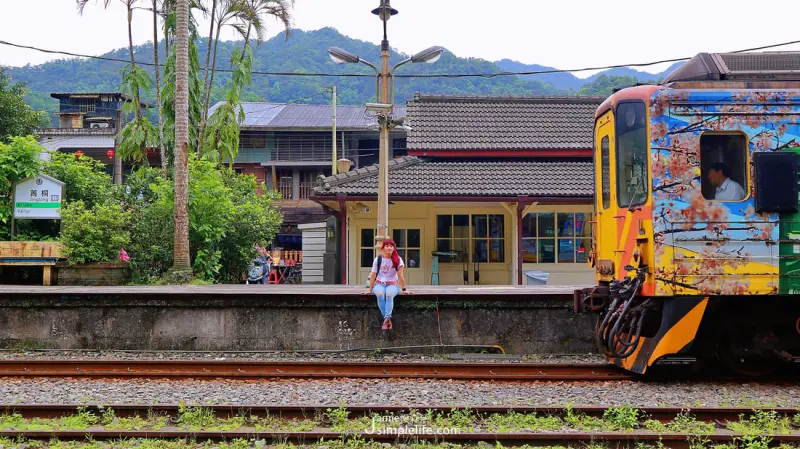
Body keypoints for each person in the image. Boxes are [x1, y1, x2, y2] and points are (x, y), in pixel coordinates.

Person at [362, 238, 412, 330]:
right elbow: (373, 275)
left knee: (389, 295)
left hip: (392, 284)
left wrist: (404, 289)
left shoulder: (398, 259)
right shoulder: (378, 259)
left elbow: (400, 275)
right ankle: (388, 319)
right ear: (383, 248)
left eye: (391, 246)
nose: (389, 248)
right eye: (387, 246)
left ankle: (386, 320)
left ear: (394, 248)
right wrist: (369, 290)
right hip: (379, 284)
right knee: (380, 294)